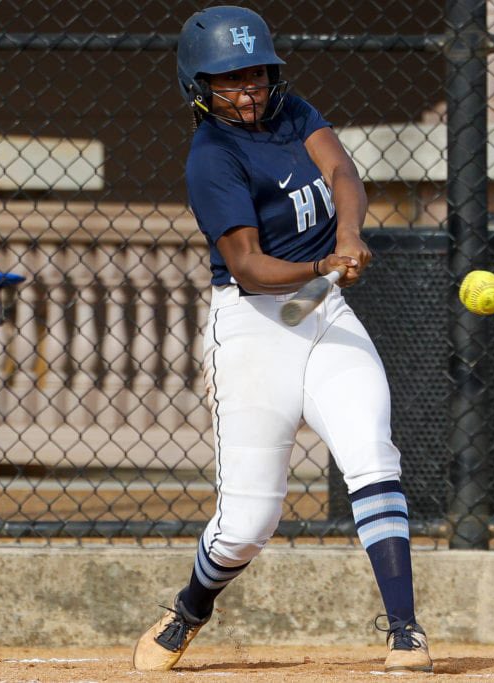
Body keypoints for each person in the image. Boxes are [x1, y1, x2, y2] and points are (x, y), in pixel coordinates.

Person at [131, 5, 431, 674]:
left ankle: (406, 629)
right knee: (247, 524)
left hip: (321, 309)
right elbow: (250, 267)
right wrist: (323, 264)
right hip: (255, 324)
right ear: (199, 88)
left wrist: (348, 234)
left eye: (257, 76)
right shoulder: (210, 155)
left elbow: (342, 172)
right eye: (229, 81)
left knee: (371, 452)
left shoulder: (293, 111)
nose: (248, 92)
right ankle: (190, 609)